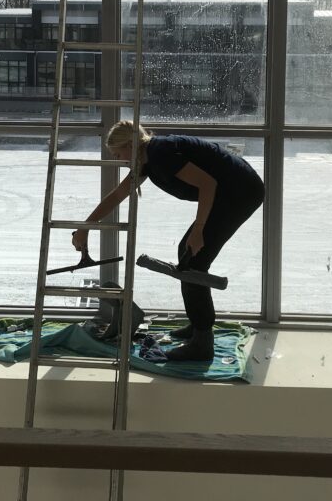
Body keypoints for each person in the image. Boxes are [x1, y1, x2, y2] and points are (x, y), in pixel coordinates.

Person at [72, 120, 265, 362]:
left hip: (240, 191)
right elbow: (119, 194)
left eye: (118, 153)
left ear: (131, 145)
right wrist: (85, 227)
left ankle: (202, 343)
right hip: (229, 191)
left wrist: (199, 229)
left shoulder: (161, 153)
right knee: (188, 253)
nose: (119, 159)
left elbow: (208, 184)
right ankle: (197, 326)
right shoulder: (146, 159)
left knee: (194, 260)